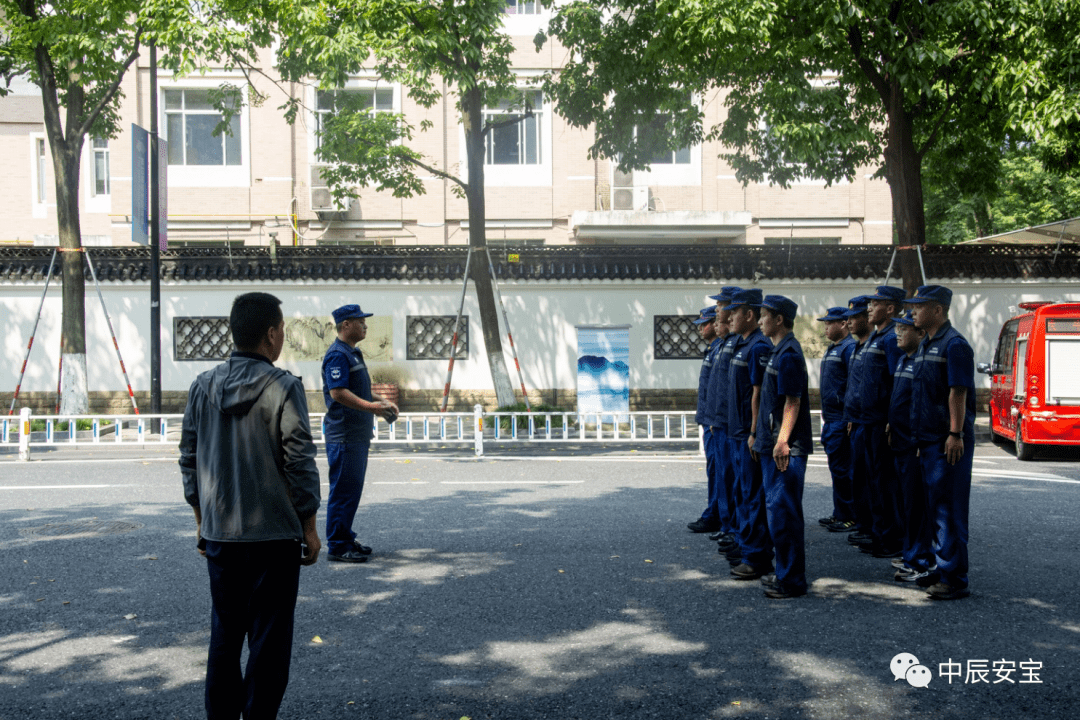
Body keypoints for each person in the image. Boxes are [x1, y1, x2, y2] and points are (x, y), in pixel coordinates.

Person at [179, 291, 322, 720]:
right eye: (281, 329)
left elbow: (189, 458)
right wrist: (310, 526)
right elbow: (299, 461)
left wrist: (201, 520)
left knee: (225, 636)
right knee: (269, 640)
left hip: (220, 534)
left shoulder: (202, 386)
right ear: (272, 334)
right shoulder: (284, 387)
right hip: (275, 536)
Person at [907, 285, 976, 600]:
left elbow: (957, 392)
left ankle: (953, 578)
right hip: (929, 440)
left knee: (949, 509)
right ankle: (941, 566)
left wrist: (955, 433)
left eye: (919, 307)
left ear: (937, 310)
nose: (913, 312)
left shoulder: (954, 345)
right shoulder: (926, 344)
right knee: (934, 508)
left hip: (947, 440)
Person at [322, 304, 399, 563]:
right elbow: (338, 393)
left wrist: (381, 401)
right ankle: (337, 545)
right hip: (344, 434)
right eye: (360, 321)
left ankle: (344, 537)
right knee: (343, 491)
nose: (366, 325)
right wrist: (373, 408)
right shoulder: (337, 355)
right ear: (346, 325)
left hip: (356, 434)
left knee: (351, 490)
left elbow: (360, 389)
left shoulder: (352, 353)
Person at [754, 295, 814, 598]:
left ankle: (791, 580)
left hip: (785, 448)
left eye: (764, 315)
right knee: (777, 513)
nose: (760, 320)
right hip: (775, 443)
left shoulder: (788, 353)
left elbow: (793, 401)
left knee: (785, 514)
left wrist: (782, 440)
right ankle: (784, 573)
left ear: (779, 320)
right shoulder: (779, 351)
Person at [853, 285, 906, 559]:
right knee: (873, 481)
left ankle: (892, 538)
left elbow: (897, 380)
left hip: (881, 421)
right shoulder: (876, 337)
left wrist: (891, 419)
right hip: (867, 420)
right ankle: (879, 532)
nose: (869, 308)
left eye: (876, 303)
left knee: (886, 482)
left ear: (891, 308)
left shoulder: (891, 338)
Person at [724, 288, 774, 580]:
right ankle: (747, 546)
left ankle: (757, 556)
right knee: (743, 493)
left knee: (753, 496)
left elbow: (759, 394)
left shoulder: (758, 347)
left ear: (750, 315)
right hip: (736, 430)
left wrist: (755, 432)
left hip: (747, 433)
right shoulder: (742, 345)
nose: (730, 317)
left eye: (736, 312)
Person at [888, 312, 933, 582]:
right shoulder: (905, 359)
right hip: (900, 440)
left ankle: (920, 560)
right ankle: (910, 553)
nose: (897, 334)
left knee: (917, 505)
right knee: (907, 503)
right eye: (897, 329)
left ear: (919, 333)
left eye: (904, 329)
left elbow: (923, 404)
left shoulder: (921, 361)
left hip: (913, 443)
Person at [706, 286, 743, 555]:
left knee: (735, 479)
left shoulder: (738, 343)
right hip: (720, 421)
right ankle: (729, 525)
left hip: (733, 424)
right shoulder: (724, 344)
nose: (717, 311)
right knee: (724, 476)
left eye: (721, 306)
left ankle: (735, 529)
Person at [815, 307, 857, 533]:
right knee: (836, 469)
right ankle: (839, 512)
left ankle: (849, 515)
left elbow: (853, 383)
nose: (826, 328)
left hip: (841, 418)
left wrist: (849, 413)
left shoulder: (848, 348)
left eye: (829, 323)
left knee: (843, 470)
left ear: (843, 324)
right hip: (831, 417)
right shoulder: (834, 348)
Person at [841, 296, 875, 547]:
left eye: (854, 318)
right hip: (858, 421)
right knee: (860, 479)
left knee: (877, 481)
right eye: (848, 318)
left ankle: (880, 530)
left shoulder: (881, 343)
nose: (849, 322)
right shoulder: (857, 347)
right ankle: (865, 525)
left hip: (874, 421)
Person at [688, 305, 722, 533]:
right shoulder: (714, 349)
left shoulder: (721, 349)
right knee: (715, 471)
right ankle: (716, 514)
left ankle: (717, 516)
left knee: (720, 473)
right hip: (710, 420)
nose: (702, 328)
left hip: (716, 422)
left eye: (706, 323)